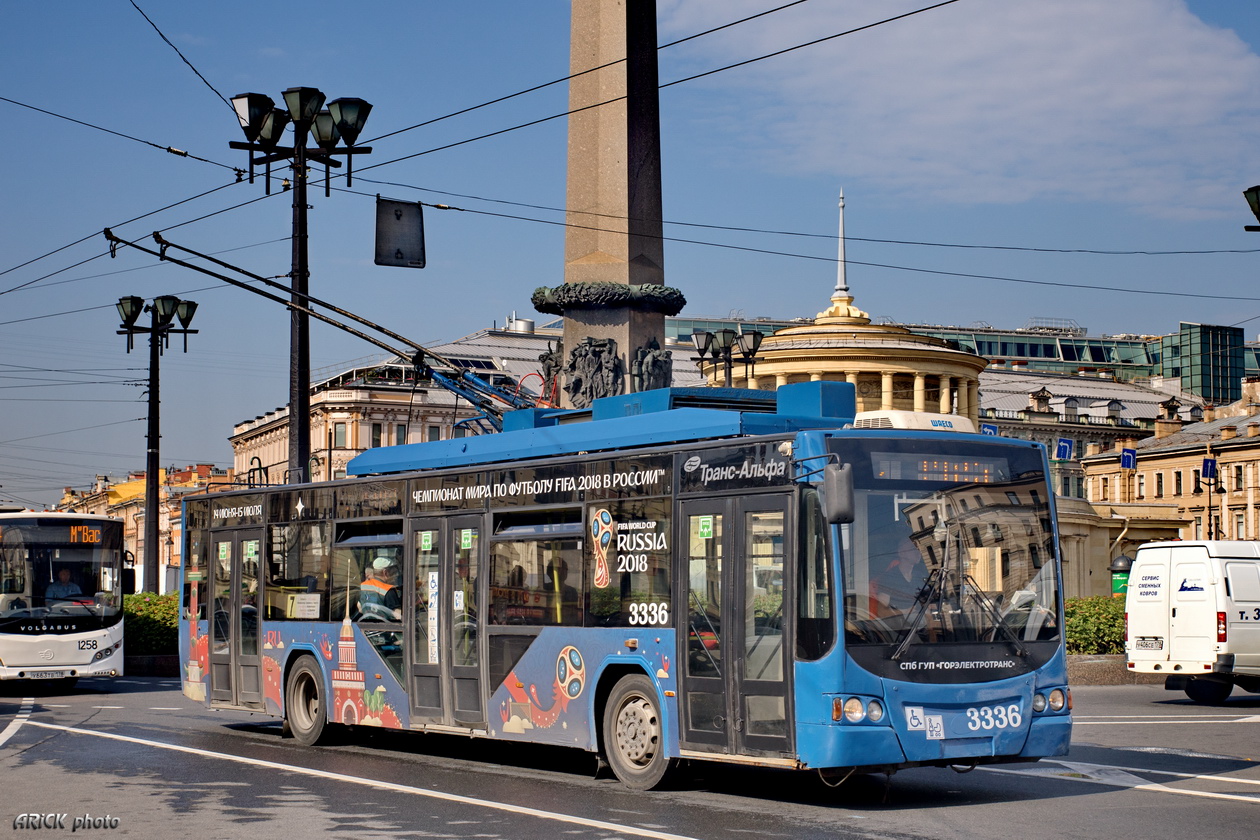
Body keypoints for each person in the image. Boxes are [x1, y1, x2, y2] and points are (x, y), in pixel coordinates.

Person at [869, 540, 928, 619]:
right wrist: (903, 612)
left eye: (919, 549)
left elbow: (927, 607)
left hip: (923, 628)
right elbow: (881, 611)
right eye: (913, 549)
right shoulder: (889, 577)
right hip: (900, 629)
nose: (918, 552)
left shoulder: (920, 577)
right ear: (901, 553)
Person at [359, 555, 401, 621]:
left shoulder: (363, 586)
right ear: (385, 572)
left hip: (366, 628)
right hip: (385, 628)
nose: (396, 575)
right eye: (393, 572)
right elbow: (398, 615)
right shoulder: (388, 590)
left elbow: (360, 609)